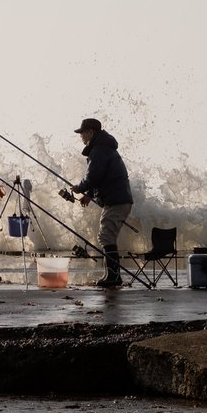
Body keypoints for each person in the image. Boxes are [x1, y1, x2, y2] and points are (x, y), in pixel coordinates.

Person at [59, 118, 134, 287]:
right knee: (107, 235)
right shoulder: (104, 148)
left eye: (82, 133)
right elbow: (101, 177)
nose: (81, 137)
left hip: (116, 200)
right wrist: (89, 195)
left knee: (105, 236)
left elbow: (94, 175)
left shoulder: (99, 150)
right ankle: (112, 275)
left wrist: (81, 187)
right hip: (119, 199)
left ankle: (114, 276)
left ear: (91, 132)